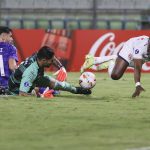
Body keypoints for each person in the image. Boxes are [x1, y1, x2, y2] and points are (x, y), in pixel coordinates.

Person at [81, 35, 150, 98]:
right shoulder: (141, 47)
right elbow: (137, 68)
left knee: (135, 63)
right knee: (115, 75)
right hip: (131, 46)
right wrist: (138, 85)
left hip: (140, 53)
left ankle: (114, 60)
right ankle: (97, 60)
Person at [8, 46, 91, 97]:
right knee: (35, 92)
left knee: (55, 83)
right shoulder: (31, 71)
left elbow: (53, 58)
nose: (52, 62)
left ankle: (76, 90)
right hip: (16, 88)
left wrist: (61, 68)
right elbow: (22, 94)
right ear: (44, 60)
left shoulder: (39, 55)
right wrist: (40, 96)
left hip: (34, 78)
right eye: (51, 61)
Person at [0, 26, 18, 94]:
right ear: (3, 36)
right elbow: (12, 67)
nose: (12, 39)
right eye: (10, 36)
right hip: (6, 85)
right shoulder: (11, 48)